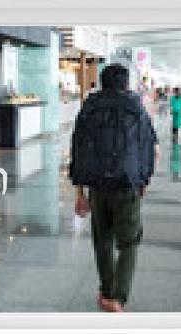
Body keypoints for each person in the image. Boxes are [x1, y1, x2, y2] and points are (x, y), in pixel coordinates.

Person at [69, 64, 159, 312]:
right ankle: (118, 297)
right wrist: (144, 180)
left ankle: (106, 291)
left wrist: (79, 192)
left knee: (102, 240)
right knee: (129, 242)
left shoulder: (90, 107)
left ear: (102, 82)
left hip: (97, 186)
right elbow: (148, 148)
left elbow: (78, 148)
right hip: (127, 183)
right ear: (125, 83)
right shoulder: (136, 108)